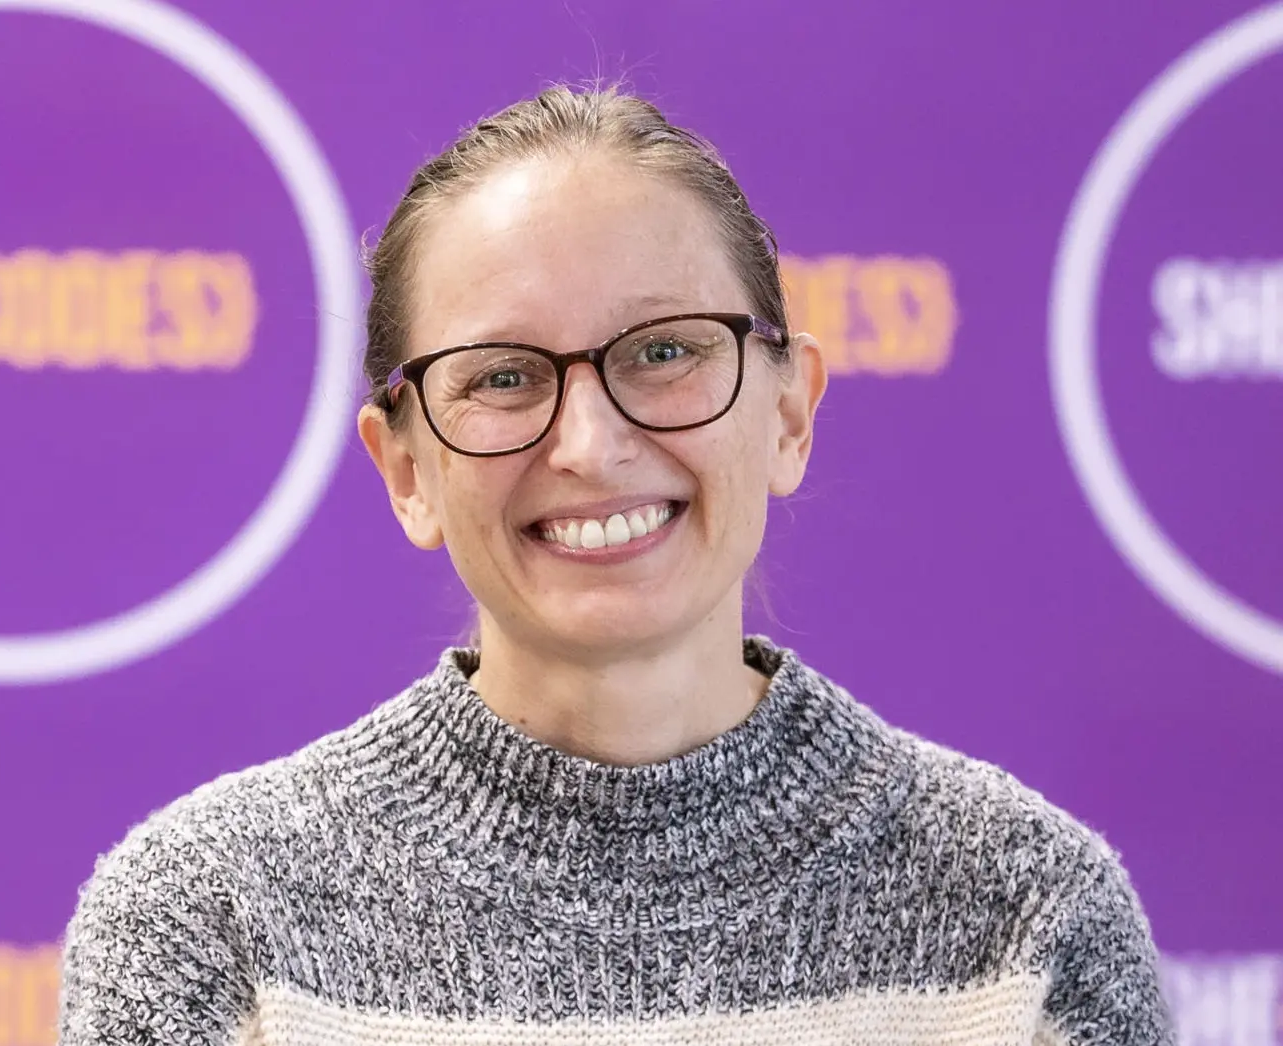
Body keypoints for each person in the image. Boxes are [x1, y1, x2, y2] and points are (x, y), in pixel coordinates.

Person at [59, 86, 1173, 1045]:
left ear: (789, 410)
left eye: (664, 351)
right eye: (502, 376)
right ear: (404, 466)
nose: (589, 445)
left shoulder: (1028, 908)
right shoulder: (207, 915)